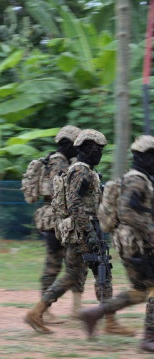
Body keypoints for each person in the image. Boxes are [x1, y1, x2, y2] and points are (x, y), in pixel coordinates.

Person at [24, 129, 132, 335]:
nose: (100, 153)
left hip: (81, 228)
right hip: (84, 229)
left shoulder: (83, 169)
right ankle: (110, 321)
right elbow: (74, 203)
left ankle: (36, 312)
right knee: (103, 273)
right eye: (98, 149)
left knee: (72, 275)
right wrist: (90, 232)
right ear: (87, 148)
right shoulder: (81, 171)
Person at [79, 135, 154, 349]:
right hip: (138, 243)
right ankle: (149, 337)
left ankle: (94, 313)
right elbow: (126, 211)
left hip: (132, 242)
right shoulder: (137, 180)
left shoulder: (138, 178)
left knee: (141, 291)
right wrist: (150, 230)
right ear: (146, 156)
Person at [32, 125, 87, 322]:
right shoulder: (59, 162)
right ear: (69, 144)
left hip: (55, 218)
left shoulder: (58, 160)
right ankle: (46, 310)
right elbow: (60, 193)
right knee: (56, 264)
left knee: (73, 262)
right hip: (58, 218)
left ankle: (75, 308)